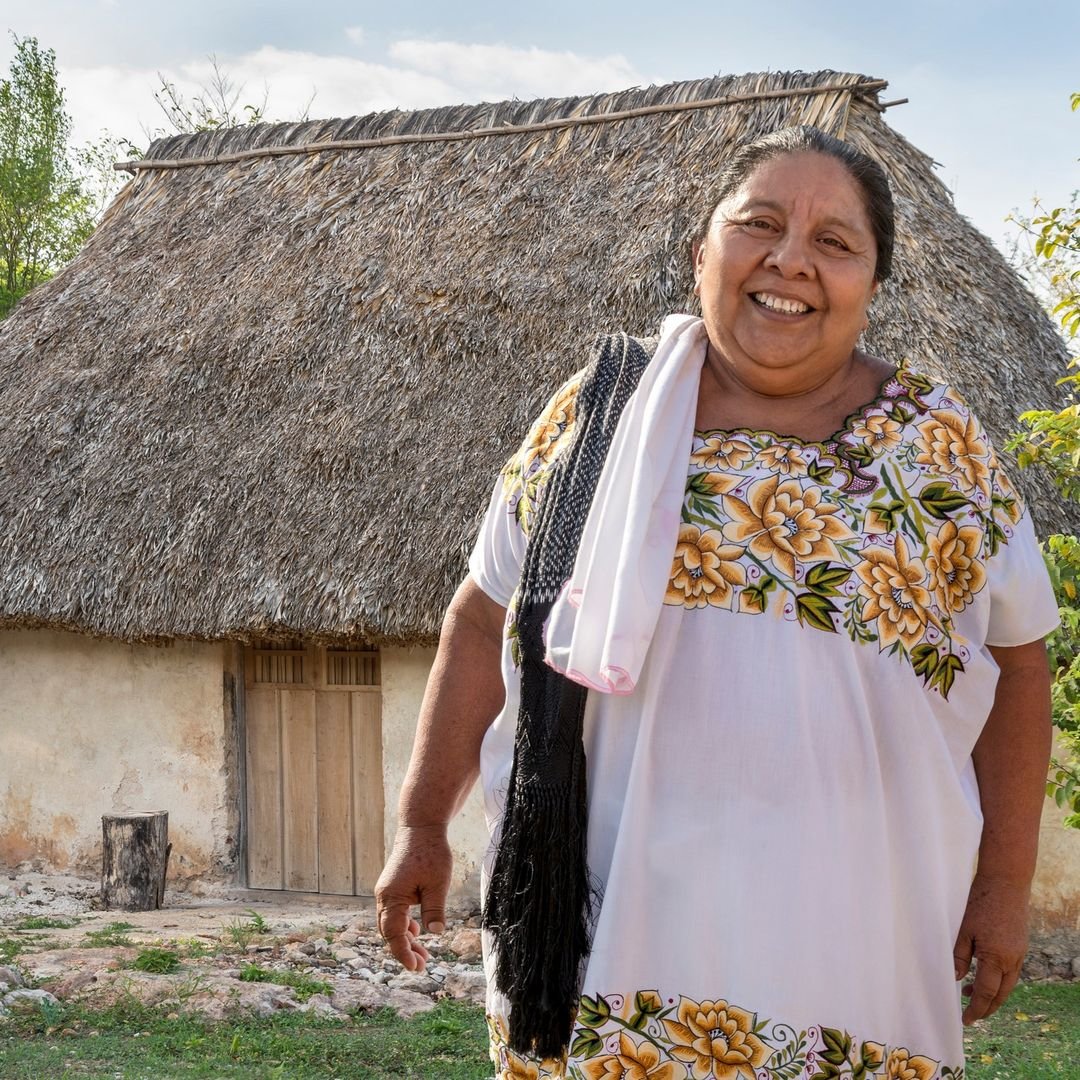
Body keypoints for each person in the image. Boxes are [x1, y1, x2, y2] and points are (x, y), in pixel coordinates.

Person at [375, 125, 1058, 1080]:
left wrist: (1003, 884)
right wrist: (419, 822)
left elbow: (1022, 663)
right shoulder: (596, 419)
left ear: (873, 283)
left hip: (857, 945)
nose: (791, 261)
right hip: (610, 929)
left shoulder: (939, 453)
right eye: (760, 224)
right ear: (704, 251)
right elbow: (486, 614)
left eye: (835, 242)